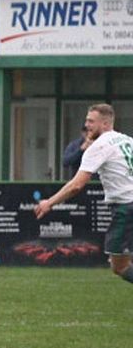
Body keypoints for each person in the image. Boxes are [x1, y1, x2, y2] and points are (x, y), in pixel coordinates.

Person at [36, 104, 133, 285]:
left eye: (91, 121)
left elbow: (76, 185)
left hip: (126, 209)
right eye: (86, 120)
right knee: (125, 260)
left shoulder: (99, 146)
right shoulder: (127, 140)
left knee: (120, 266)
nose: (87, 125)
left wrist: (49, 202)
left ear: (105, 124)